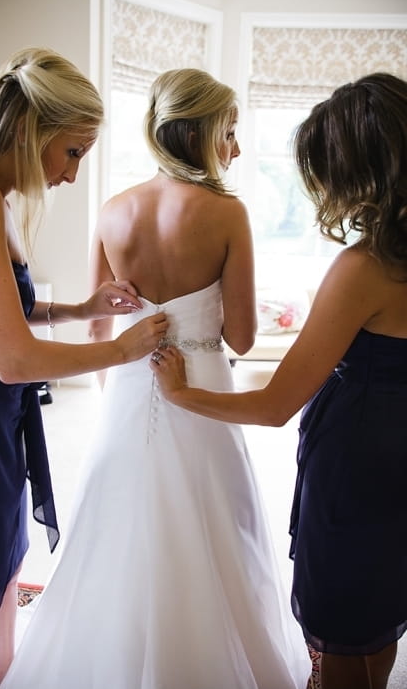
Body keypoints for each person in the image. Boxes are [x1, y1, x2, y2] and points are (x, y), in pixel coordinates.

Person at [0, 67, 312, 689]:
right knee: (218, 526)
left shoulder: (115, 210)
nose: (237, 149)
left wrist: (128, 382)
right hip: (203, 392)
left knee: (118, 523)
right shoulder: (227, 213)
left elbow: (97, 326)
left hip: (131, 385)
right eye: (229, 133)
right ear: (197, 135)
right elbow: (244, 339)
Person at [151, 72, 407, 689]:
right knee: (381, 612)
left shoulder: (365, 269)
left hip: (358, 466)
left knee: (344, 627)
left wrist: (183, 394)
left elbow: (274, 406)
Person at [0, 46, 168, 689]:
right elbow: (10, 357)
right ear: (32, 130)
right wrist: (121, 349)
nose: (71, 177)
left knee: (1, 567)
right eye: (72, 152)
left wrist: (80, 308)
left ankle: (0, 678)